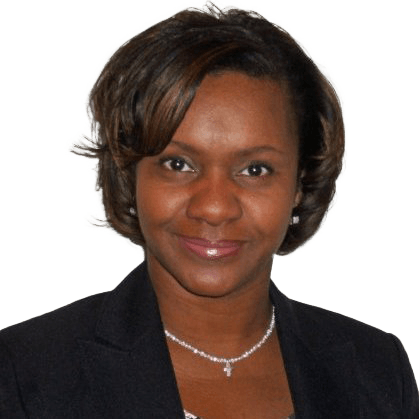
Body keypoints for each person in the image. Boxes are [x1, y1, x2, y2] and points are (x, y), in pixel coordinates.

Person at [0, 2, 417, 418]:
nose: (214, 208)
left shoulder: (377, 371)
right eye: (178, 164)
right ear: (130, 173)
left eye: (255, 169)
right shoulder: (25, 373)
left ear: (300, 183)